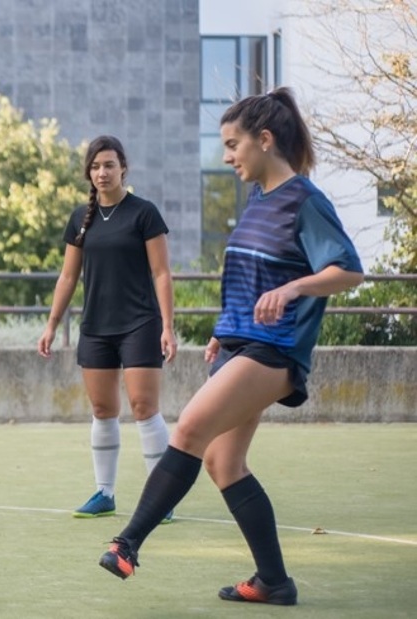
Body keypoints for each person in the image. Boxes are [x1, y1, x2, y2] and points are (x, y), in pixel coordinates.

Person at [97, 87, 364, 606]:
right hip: (247, 345)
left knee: (192, 428)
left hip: (276, 350)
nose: (226, 156)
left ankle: (127, 543)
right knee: (224, 461)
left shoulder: (305, 201)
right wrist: (227, 327)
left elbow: (349, 269)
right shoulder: (260, 202)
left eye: (232, 144)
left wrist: (293, 288)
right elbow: (252, 276)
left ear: (265, 141)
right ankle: (274, 582)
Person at [38, 135, 178, 522]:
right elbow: (68, 277)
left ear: (123, 169)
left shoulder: (144, 213)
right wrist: (51, 325)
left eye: (109, 165)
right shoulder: (79, 220)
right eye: (96, 166)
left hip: (140, 323)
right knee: (103, 410)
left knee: (144, 408)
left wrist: (168, 326)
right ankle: (104, 494)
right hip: (96, 327)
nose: (103, 172)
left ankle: (161, 498)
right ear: (89, 172)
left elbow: (162, 272)